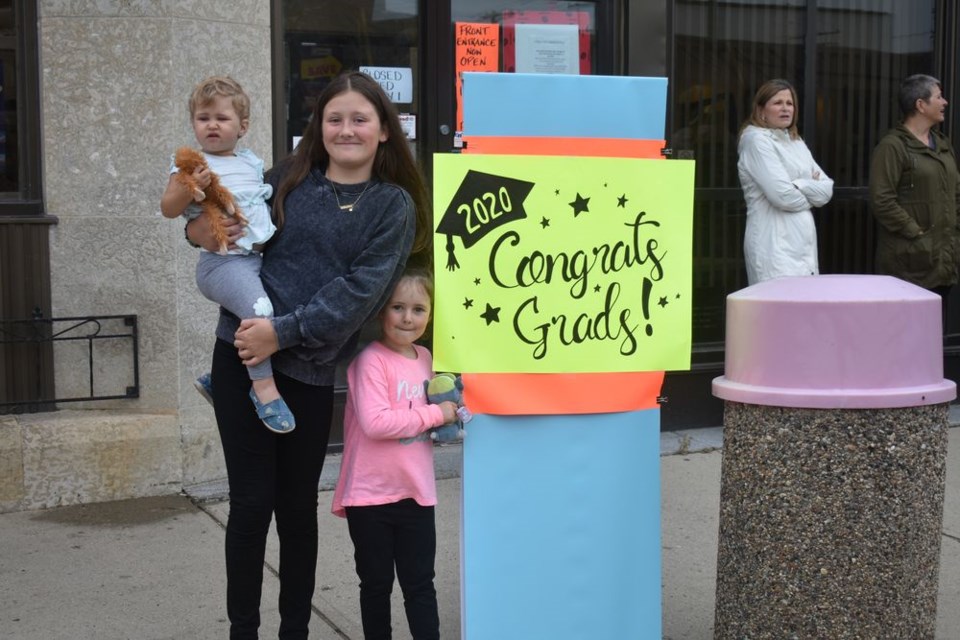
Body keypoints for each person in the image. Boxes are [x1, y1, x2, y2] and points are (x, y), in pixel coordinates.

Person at [185, 70, 433, 639]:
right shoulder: (288, 178)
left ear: (384, 131)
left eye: (359, 119)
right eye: (334, 118)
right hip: (241, 356)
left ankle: (293, 629)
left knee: (296, 512)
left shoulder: (391, 207)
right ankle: (242, 630)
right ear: (318, 128)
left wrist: (282, 332)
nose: (346, 129)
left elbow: (358, 295)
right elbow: (228, 218)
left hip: (309, 371)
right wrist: (198, 229)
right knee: (250, 506)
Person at [160, 75, 294, 434]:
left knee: (262, 310)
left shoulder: (250, 162)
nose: (212, 125)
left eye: (222, 118)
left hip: (254, 260)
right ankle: (263, 389)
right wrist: (192, 190)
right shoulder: (192, 167)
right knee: (259, 313)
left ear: (243, 126)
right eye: (203, 118)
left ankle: (222, 381)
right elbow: (168, 209)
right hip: (221, 263)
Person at [332, 267, 459, 640]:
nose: (407, 317)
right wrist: (437, 414)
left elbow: (433, 417)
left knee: (421, 584)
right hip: (370, 496)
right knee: (376, 585)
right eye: (397, 307)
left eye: (418, 309)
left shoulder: (426, 359)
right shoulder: (370, 361)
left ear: (431, 314)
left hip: (416, 493)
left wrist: (451, 416)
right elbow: (376, 423)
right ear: (380, 311)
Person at [869, 73, 960, 326]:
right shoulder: (893, 146)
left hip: (943, 259)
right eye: (939, 97)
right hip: (909, 264)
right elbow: (881, 200)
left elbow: (956, 193)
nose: (945, 102)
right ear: (920, 105)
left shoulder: (942, 144)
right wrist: (916, 233)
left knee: (932, 337)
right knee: (904, 337)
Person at [737, 78, 834, 284]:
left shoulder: (796, 141)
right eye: (777, 103)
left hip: (804, 249)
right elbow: (783, 196)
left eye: (789, 103)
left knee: (802, 312)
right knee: (776, 312)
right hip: (773, 246)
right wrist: (808, 185)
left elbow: (827, 190)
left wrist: (799, 184)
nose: (785, 109)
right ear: (761, 109)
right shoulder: (756, 140)